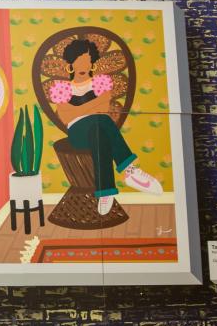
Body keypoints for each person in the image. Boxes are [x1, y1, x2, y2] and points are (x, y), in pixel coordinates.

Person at [49, 38, 162, 216]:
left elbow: (102, 108)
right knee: (101, 120)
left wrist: (78, 110)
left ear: (92, 62)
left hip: (97, 131)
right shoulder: (62, 88)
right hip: (77, 134)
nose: (83, 64)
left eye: (86, 59)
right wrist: (90, 109)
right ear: (71, 64)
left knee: (99, 128)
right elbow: (66, 116)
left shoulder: (100, 82)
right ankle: (130, 171)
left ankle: (106, 191)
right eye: (78, 60)